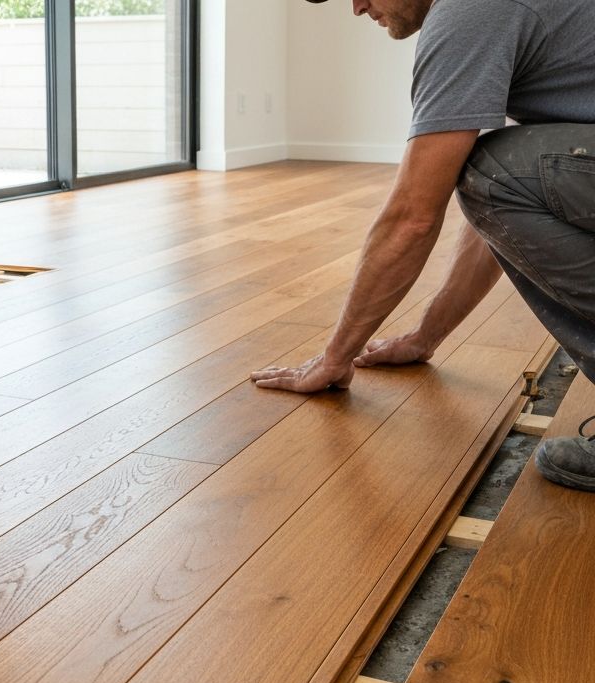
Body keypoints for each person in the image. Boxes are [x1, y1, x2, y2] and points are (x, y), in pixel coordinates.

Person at [251, 0, 595, 491]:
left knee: (487, 168)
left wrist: (334, 358)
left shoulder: (468, 12)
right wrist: (424, 336)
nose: (356, 8)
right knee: (503, 168)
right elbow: (507, 209)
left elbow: (412, 215)